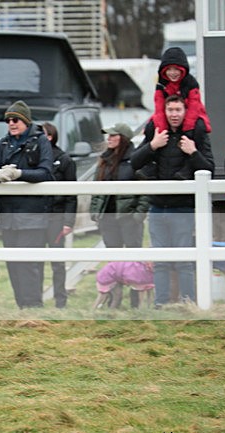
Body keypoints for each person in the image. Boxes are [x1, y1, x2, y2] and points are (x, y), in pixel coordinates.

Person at [131, 94, 214, 307]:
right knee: (160, 261)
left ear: (185, 112)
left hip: (182, 208)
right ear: (165, 112)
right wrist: (153, 145)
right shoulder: (157, 133)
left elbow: (209, 169)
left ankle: (189, 304)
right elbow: (134, 162)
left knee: (184, 261)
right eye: (170, 110)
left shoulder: (195, 135)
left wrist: (193, 151)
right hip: (157, 206)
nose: (174, 114)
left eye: (178, 110)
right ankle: (161, 305)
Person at [0, 100, 54, 308]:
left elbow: (46, 172)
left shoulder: (41, 141)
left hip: (32, 214)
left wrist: (19, 174)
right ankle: (21, 307)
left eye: (15, 119)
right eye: (8, 120)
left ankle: (33, 307)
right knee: (13, 264)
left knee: (29, 264)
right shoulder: (3, 144)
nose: (11, 123)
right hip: (9, 215)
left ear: (25, 121)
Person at [91, 123, 149, 308]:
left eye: (113, 135)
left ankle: (134, 303)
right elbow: (96, 188)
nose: (108, 138)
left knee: (134, 261)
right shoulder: (104, 159)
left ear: (122, 138)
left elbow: (147, 188)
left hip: (128, 217)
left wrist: (138, 214)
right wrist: (95, 210)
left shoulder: (135, 159)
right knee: (114, 262)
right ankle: (113, 301)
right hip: (108, 217)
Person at [137, 47, 211, 181]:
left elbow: (194, 106)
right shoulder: (161, 83)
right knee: (151, 128)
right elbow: (159, 105)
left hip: (191, 117)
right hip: (166, 120)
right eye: (169, 69)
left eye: (176, 69)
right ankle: (150, 168)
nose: (173, 73)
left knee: (199, 128)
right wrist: (158, 133)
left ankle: (186, 170)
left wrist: (188, 133)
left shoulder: (191, 82)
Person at [40, 122, 77, 308]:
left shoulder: (65, 160)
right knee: (35, 261)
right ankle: (34, 301)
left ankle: (60, 302)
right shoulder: (34, 158)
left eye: (43, 134)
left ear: (51, 136)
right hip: (38, 218)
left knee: (57, 263)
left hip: (56, 217)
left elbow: (71, 194)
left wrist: (68, 221)